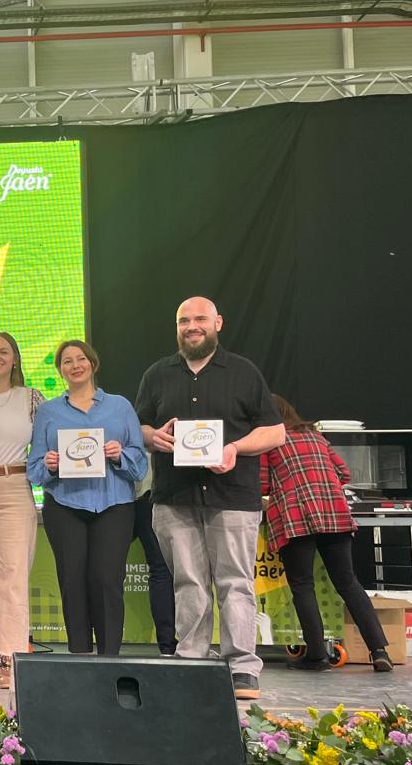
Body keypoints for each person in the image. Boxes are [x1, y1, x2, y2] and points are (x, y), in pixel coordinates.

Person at [135, 297, 285, 701]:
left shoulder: (243, 372)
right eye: (183, 320)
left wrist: (234, 448)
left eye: (200, 318)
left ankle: (242, 668)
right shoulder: (157, 374)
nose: (191, 326)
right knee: (188, 584)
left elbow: (275, 432)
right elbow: (140, 426)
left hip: (233, 497)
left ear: (218, 323)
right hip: (174, 497)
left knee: (235, 582)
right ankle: (193, 662)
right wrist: (153, 436)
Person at [28, 341, 147, 657]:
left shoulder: (120, 406)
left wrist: (120, 455)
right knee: (72, 580)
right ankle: (79, 655)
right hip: (64, 506)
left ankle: (109, 656)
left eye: (80, 359)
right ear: (60, 370)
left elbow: (140, 463)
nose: (75, 365)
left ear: (93, 363)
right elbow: (34, 469)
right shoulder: (48, 412)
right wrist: (49, 464)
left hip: (114, 504)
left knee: (107, 580)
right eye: (67, 361)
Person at [261, 395, 392, 673]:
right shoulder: (316, 436)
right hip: (334, 513)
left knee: (302, 586)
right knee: (348, 583)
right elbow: (344, 473)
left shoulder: (270, 441)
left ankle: (317, 655)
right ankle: (379, 651)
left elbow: (261, 484)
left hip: (296, 518)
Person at [0, 331, 44, 688]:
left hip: (14, 485)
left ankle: (8, 658)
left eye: (4, 351)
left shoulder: (31, 398)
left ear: (15, 358)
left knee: (11, 575)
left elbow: (48, 443)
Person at [132, 467, 177, 654]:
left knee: (161, 570)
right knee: (162, 570)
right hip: (148, 493)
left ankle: (168, 645)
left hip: (139, 494)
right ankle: (168, 646)